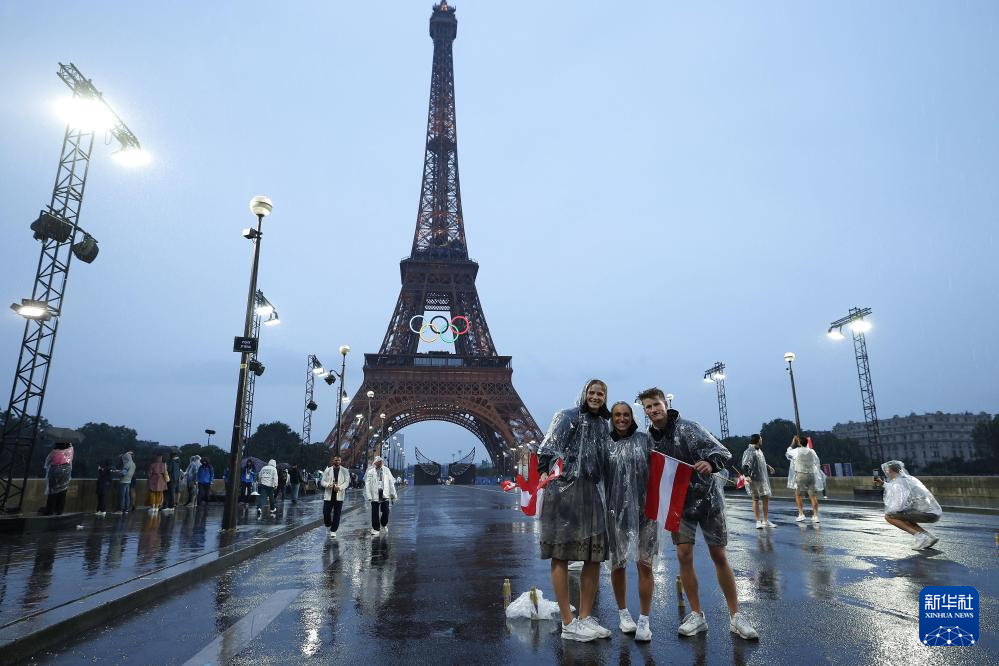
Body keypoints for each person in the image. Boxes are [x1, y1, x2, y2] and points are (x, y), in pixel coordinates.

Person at [639, 387, 758, 640]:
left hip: (708, 501)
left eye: (656, 405)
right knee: (684, 555)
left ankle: (736, 615)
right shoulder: (648, 440)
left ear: (665, 403)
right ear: (644, 410)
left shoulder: (689, 428)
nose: (653, 410)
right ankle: (696, 614)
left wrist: (711, 463)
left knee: (719, 554)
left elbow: (723, 452)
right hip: (679, 503)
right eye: (648, 407)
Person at [537, 379, 611, 643]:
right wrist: (546, 473)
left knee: (593, 556)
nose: (595, 396)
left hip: (591, 492)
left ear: (605, 397)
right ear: (584, 394)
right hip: (564, 491)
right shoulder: (567, 417)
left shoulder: (605, 424)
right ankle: (568, 623)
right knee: (562, 554)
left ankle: (584, 617)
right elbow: (546, 449)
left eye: (600, 393)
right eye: (591, 392)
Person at [606, 401, 655, 642]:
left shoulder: (645, 440)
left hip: (645, 513)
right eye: (617, 415)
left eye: (626, 414)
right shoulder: (605, 443)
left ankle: (644, 620)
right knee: (618, 565)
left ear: (631, 416)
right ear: (612, 417)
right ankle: (624, 613)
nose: (622, 419)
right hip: (616, 514)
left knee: (645, 565)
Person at [874, 460, 942, 550]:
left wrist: (890, 512)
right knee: (904, 517)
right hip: (934, 512)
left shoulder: (898, 483)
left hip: (927, 513)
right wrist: (883, 484)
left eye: (887, 471)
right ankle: (929, 537)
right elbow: (894, 488)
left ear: (890, 471)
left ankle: (919, 537)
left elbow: (898, 505)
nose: (887, 473)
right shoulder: (907, 479)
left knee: (889, 516)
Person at [741, 434, 776, 529]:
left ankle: (765, 520)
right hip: (754, 479)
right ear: (758, 440)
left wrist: (768, 467)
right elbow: (745, 464)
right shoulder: (749, 451)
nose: (762, 440)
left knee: (765, 498)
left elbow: (761, 462)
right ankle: (758, 521)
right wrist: (747, 475)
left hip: (762, 478)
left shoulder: (759, 451)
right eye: (761, 439)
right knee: (756, 499)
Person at [787, 436, 823, 523]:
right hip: (811, 474)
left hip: (801, 474)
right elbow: (817, 462)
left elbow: (788, 452)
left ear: (799, 443)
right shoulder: (812, 451)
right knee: (813, 496)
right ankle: (815, 516)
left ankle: (801, 514)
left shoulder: (796, 451)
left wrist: (793, 442)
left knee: (798, 494)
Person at [364, 456, 397, 536]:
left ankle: (384, 524)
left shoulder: (386, 470)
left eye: (381, 461)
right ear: (375, 463)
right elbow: (367, 484)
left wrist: (393, 494)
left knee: (385, 511)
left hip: (384, 493)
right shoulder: (370, 472)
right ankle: (376, 528)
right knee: (375, 512)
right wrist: (369, 495)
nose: (380, 463)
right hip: (374, 493)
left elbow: (391, 482)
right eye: (378, 462)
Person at [322, 455, 350, 538]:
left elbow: (347, 482)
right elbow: (322, 482)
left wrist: (340, 487)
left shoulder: (345, 471)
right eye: (335, 460)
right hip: (328, 494)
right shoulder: (327, 470)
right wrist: (328, 485)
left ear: (340, 461)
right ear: (333, 461)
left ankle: (333, 530)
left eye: (338, 460)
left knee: (337, 514)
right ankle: (328, 526)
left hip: (339, 494)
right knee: (326, 513)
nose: (337, 461)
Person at [43, 440, 74, 516]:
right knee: (63, 492)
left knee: (52, 492)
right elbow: (70, 446)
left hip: (55, 472)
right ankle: (59, 510)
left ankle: (50, 511)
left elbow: (47, 462)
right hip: (66, 472)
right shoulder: (70, 450)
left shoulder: (54, 451)